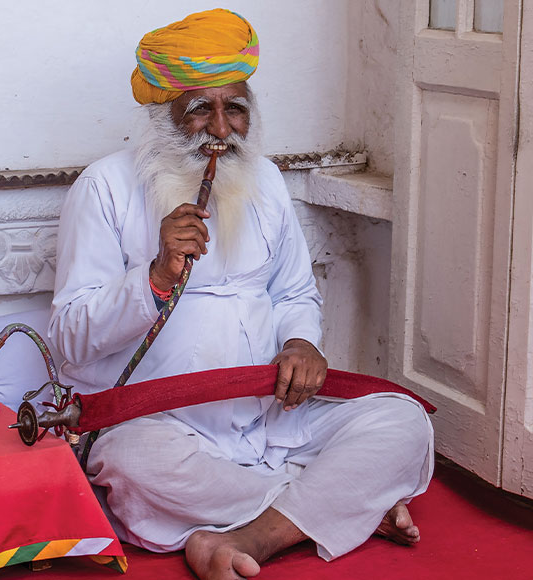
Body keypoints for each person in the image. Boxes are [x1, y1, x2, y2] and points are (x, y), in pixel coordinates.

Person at [48, 9, 434, 580]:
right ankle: (333, 505)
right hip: (164, 422)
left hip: (273, 413)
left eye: (236, 111)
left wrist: (302, 342)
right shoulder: (104, 187)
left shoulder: (267, 180)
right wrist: (153, 277)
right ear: (163, 115)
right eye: (201, 110)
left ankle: (254, 534)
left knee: (402, 423)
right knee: (129, 463)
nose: (222, 131)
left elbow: (294, 290)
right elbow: (69, 340)